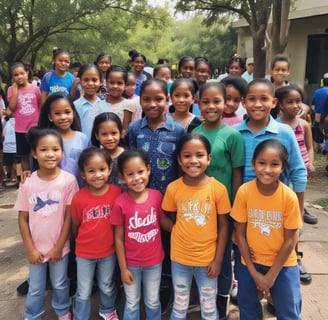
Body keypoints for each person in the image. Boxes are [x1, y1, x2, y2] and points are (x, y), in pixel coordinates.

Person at [234, 78, 309, 291]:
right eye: (252, 99)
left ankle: (277, 290)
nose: (258, 104)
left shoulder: (284, 132)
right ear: (243, 102)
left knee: (279, 255)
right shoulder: (236, 133)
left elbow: (298, 170)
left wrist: (300, 210)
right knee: (247, 255)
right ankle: (252, 288)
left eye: (264, 99)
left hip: (276, 210)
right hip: (246, 210)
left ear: (274, 102)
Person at [128, 78, 186, 313]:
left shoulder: (178, 130)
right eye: (147, 99)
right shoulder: (134, 129)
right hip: (141, 201)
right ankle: (142, 284)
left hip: (168, 201)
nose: (153, 104)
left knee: (167, 242)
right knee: (145, 241)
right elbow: (131, 161)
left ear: (167, 100)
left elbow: (181, 165)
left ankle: (166, 285)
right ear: (140, 101)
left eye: (158, 99)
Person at [231, 139, 302, 320]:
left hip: (283, 265)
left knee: (288, 311)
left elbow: (290, 240)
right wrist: (254, 272)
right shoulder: (244, 192)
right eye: (262, 163)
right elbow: (240, 234)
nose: (267, 170)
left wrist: (271, 276)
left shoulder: (289, 197)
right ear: (253, 164)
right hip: (249, 262)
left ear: (283, 167)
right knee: (247, 309)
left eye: (275, 164)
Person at [162, 133, 230, 320]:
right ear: (179, 160)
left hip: (208, 261)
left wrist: (217, 260)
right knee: (180, 305)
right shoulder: (173, 188)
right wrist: (176, 229)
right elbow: (169, 217)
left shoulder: (218, 189)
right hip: (180, 260)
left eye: (199, 155)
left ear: (209, 159)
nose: (193, 160)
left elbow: (224, 225)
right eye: (187, 155)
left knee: (209, 307)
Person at [15, 127, 79, 320]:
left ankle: (63, 310)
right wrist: (30, 249)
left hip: (60, 247)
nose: (50, 154)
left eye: (55, 149)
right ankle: (32, 314)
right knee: (35, 286)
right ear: (34, 153)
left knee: (60, 283)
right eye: (43, 149)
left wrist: (60, 246)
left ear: (62, 152)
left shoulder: (68, 181)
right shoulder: (27, 182)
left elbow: (69, 217)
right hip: (35, 248)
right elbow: (23, 218)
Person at [193, 82, 244, 320]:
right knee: (201, 254)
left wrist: (234, 211)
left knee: (222, 259)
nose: (211, 106)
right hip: (198, 208)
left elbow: (237, 174)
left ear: (226, 104)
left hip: (223, 210)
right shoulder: (194, 134)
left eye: (217, 101)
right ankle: (202, 300)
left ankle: (220, 307)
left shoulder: (233, 136)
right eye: (206, 102)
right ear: (198, 103)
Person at [111, 149, 173, 320]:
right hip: (130, 264)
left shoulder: (156, 196)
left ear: (148, 170)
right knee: (131, 302)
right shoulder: (120, 203)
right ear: (122, 177)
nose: (137, 178)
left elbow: (163, 221)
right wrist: (123, 268)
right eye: (130, 174)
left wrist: (181, 230)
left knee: (153, 301)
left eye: (140, 172)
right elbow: (118, 238)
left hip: (154, 262)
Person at [71, 147, 121, 320]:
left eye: (101, 169)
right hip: (84, 253)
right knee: (83, 291)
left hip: (109, 251)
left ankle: (108, 310)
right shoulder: (78, 197)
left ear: (109, 169)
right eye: (91, 171)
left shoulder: (117, 193)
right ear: (83, 174)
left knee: (107, 285)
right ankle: (80, 316)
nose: (97, 174)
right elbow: (76, 225)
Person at [275, 85, 317, 227]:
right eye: (290, 102)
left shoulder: (303, 124)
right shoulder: (275, 125)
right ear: (280, 104)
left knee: (298, 191)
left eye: (298, 101)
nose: (295, 105)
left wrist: (310, 163)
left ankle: (300, 212)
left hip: (301, 168)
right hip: (284, 169)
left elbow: (309, 147)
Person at [38, 92, 88, 188]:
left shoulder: (82, 138)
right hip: (54, 191)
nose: (63, 117)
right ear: (50, 117)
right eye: (57, 113)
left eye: (67, 112)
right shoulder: (45, 140)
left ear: (73, 113)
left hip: (79, 190)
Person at [7, 62, 41, 173]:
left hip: (35, 128)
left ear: (26, 73)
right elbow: (11, 108)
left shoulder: (35, 89)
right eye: (16, 75)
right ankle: (27, 177)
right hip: (20, 129)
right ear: (13, 77)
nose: (19, 76)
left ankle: (39, 174)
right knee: (24, 155)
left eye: (22, 73)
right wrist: (15, 93)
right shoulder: (11, 90)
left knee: (38, 152)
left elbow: (40, 106)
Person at [91, 65, 136, 139]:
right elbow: (96, 130)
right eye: (111, 82)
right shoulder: (98, 106)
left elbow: (125, 132)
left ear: (125, 85)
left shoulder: (129, 105)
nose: (115, 86)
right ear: (106, 83)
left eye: (119, 83)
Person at [91, 112, 125, 187]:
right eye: (104, 134)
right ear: (97, 135)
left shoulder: (127, 157)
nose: (110, 138)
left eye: (113, 133)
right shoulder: (94, 158)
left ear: (121, 133)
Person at [74, 64, 102, 139]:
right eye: (86, 80)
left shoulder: (104, 104)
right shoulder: (75, 106)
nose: (90, 83)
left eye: (94, 80)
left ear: (101, 82)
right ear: (80, 81)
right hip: (82, 148)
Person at [312, 72, 328, 153]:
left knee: (319, 131)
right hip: (326, 116)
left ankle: (320, 146)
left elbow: (313, 104)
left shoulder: (317, 92)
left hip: (318, 115)